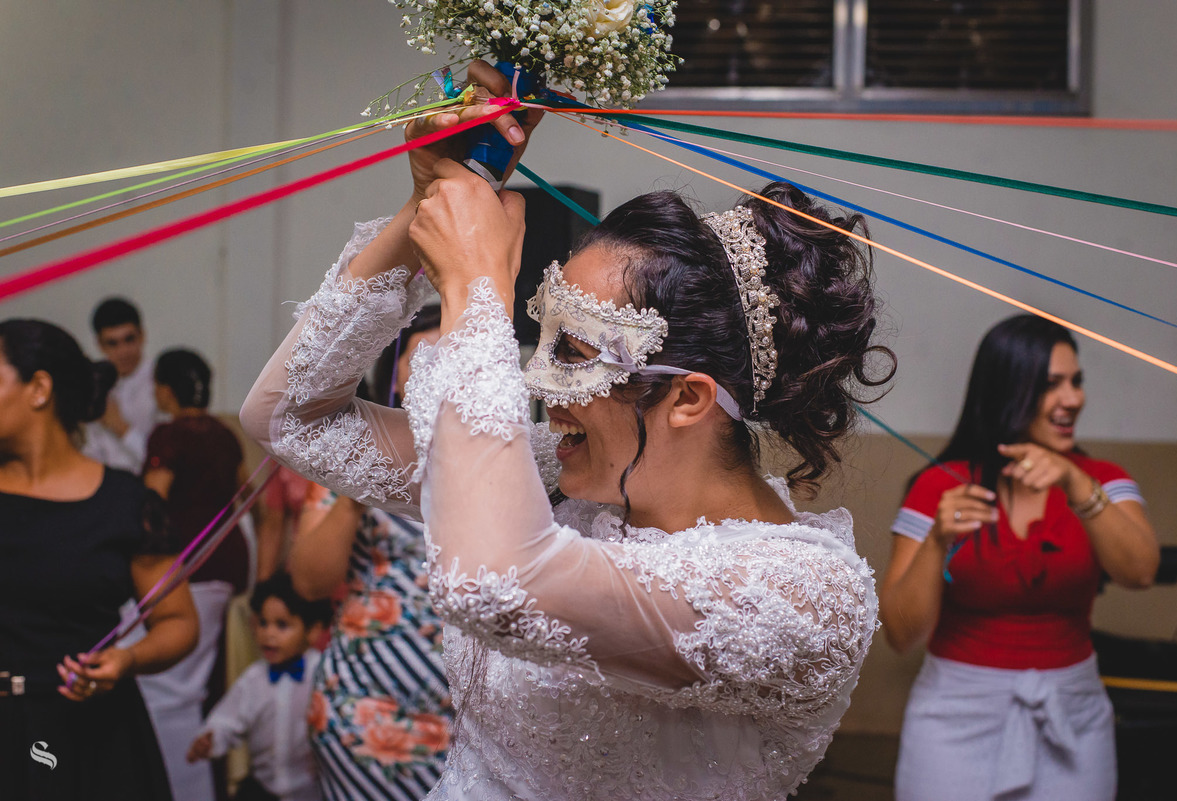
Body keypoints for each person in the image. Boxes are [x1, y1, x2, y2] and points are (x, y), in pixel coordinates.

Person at [241, 62, 893, 800]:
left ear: (687, 398)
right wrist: (431, 204)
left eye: (574, 355)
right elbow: (290, 416)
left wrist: (477, 290)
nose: (537, 384)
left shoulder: (804, 592)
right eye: (539, 340)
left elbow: (492, 581)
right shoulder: (568, 479)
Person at [878, 314, 1159, 801]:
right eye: (1052, 385)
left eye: (1076, 382)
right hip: (955, 714)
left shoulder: (1101, 479)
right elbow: (902, 636)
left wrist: (1074, 483)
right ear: (1010, 388)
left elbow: (1140, 572)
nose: (1073, 399)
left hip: (1072, 713)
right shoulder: (939, 486)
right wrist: (937, 543)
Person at [0, 318, 198, 801]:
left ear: (38, 388)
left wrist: (127, 659)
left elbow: (178, 622)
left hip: (91, 736)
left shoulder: (124, 503)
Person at [291, 305, 453, 801]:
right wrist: (359, 489)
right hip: (363, 701)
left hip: (468, 715)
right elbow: (310, 582)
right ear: (396, 374)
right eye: (420, 359)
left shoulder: (505, 458)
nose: (434, 370)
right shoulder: (354, 455)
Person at [139, 347, 253, 801]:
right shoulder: (225, 435)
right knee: (196, 684)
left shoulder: (167, 437)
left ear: (165, 389)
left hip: (185, 568)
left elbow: (151, 506)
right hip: (226, 564)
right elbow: (247, 495)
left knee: (171, 692)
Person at [187, 571, 331, 801]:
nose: (268, 634)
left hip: (313, 791)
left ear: (313, 631)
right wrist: (211, 739)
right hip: (263, 791)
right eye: (263, 623)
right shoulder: (253, 680)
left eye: (282, 625)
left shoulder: (323, 672)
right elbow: (227, 719)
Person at [83, 297, 163, 473]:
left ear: (142, 335)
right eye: (112, 343)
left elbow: (166, 462)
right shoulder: (95, 383)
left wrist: (121, 427)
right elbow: (91, 450)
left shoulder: (162, 383)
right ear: (100, 345)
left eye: (129, 339)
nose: (123, 351)